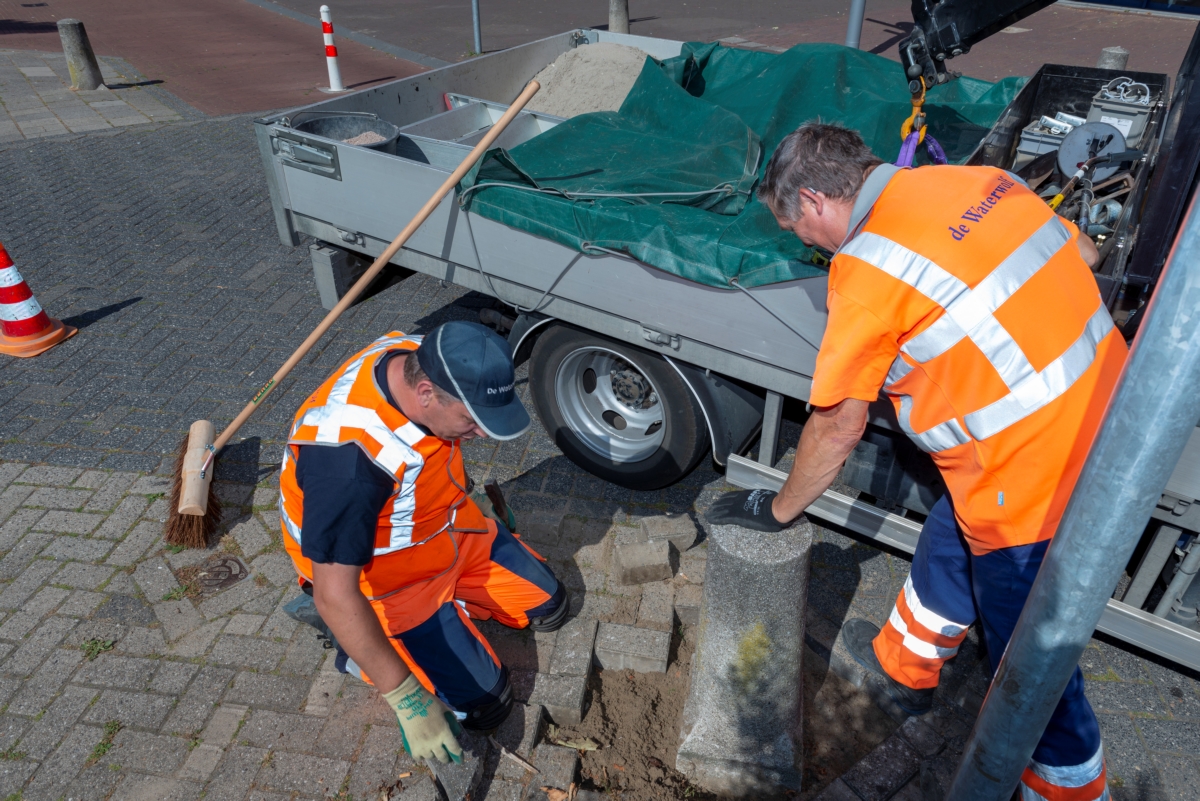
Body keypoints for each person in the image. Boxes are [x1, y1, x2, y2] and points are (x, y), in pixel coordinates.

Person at [709, 123, 1124, 801]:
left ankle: (1071, 787)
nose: (804, 244)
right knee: (947, 534)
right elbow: (1083, 251)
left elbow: (838, 424)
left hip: (1027, 479)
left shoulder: (868, 271)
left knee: (1032, 666)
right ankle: (905, 670)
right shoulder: (980, 182)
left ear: (814, 201)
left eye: (796, 228)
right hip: (1109, 419)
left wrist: (779, 507)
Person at [277, 321, 568, 764]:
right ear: (426, 393)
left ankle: (451, 614)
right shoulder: (349, 464)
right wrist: (407, 699)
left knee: (552, 607)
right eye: (472, 420)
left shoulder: (423, 354)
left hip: (450, 532)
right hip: (388, 582)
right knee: (487, 708)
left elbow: (433, 456)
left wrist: (472, 500)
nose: (482, 435)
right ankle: (353, 642)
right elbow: (337, 592)